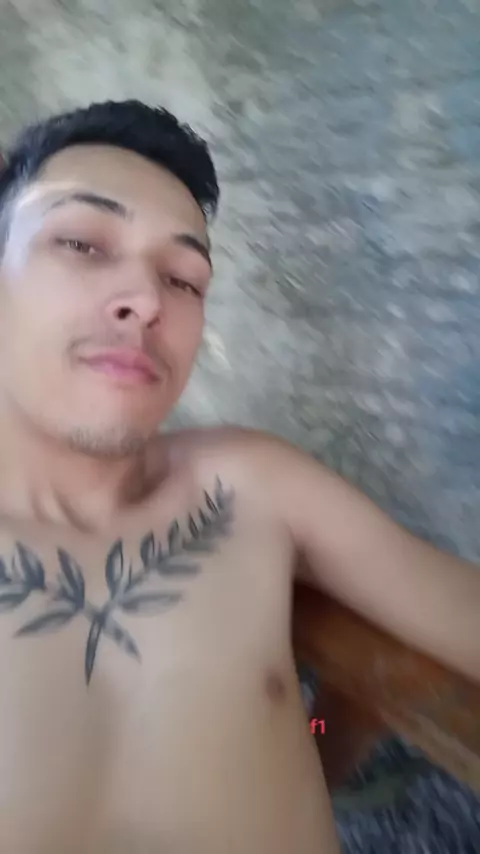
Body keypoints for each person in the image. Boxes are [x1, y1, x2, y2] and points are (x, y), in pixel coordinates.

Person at [0, 99, 477, 854]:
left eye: (184, 278)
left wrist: (311, 732)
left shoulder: (250, 484)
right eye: (83, 243)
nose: (148, 301)